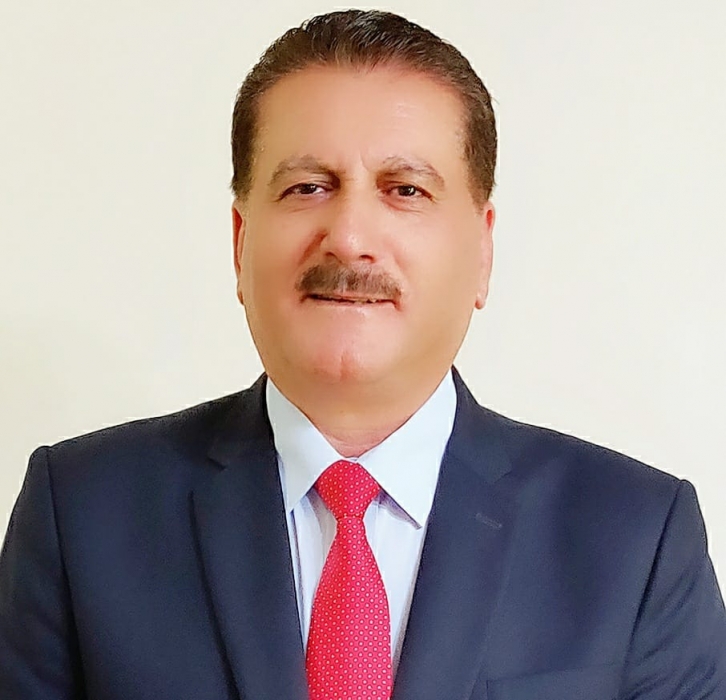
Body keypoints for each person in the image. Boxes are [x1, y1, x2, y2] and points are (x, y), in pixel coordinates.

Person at [1, 8, 724, 699]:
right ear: (241, 241)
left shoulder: (636, 539)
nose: (348, 238)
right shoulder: (81, 516)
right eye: (308, 187)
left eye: (405, 190)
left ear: (482, 250)